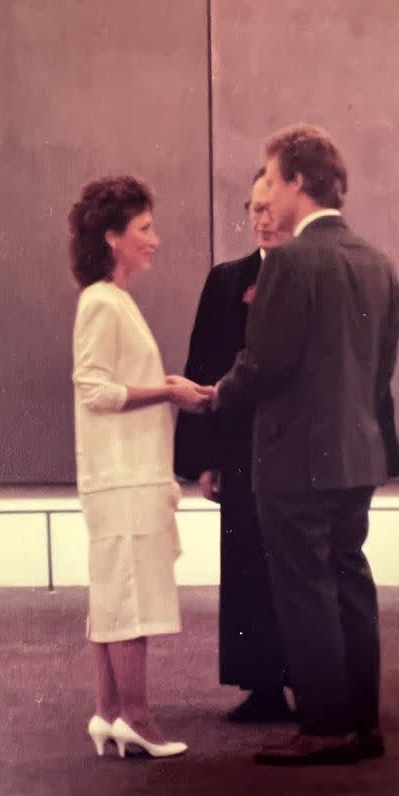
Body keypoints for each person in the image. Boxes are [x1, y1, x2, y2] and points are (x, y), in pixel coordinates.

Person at [214, 124, 399, 765]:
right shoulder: (377, 262)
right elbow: (379, 374)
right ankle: (361, 721)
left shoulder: (292, 262)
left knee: (305, 589)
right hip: (358, 455)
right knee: (350, 578)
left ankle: (325, 727)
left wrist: (215, 393)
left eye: (268, 178)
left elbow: (263, 364)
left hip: (295, 460)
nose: (263, 193)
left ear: (297, 181)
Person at [69, 176, 211, 759]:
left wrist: (165, 388)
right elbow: (94, 389)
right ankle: (137, 717)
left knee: (113, 597)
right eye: (145, 228)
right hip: (123, 478)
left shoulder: (112, 301)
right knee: (131, 600)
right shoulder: (102, 302)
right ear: (112, 237)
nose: (155, 238)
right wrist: (168, 393)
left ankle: (108, 713)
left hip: (123, 477)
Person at [174, 169, 293, 722]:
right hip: (241, 449)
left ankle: (311, 683)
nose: (261, 218)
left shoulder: (311, 277)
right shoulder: (226, 281)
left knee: (299, 566)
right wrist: (204, 460)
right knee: (245, 562)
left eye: (271, 207)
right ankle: (261, 686)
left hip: (297, 447)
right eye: (254, 207)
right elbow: (203, 368)